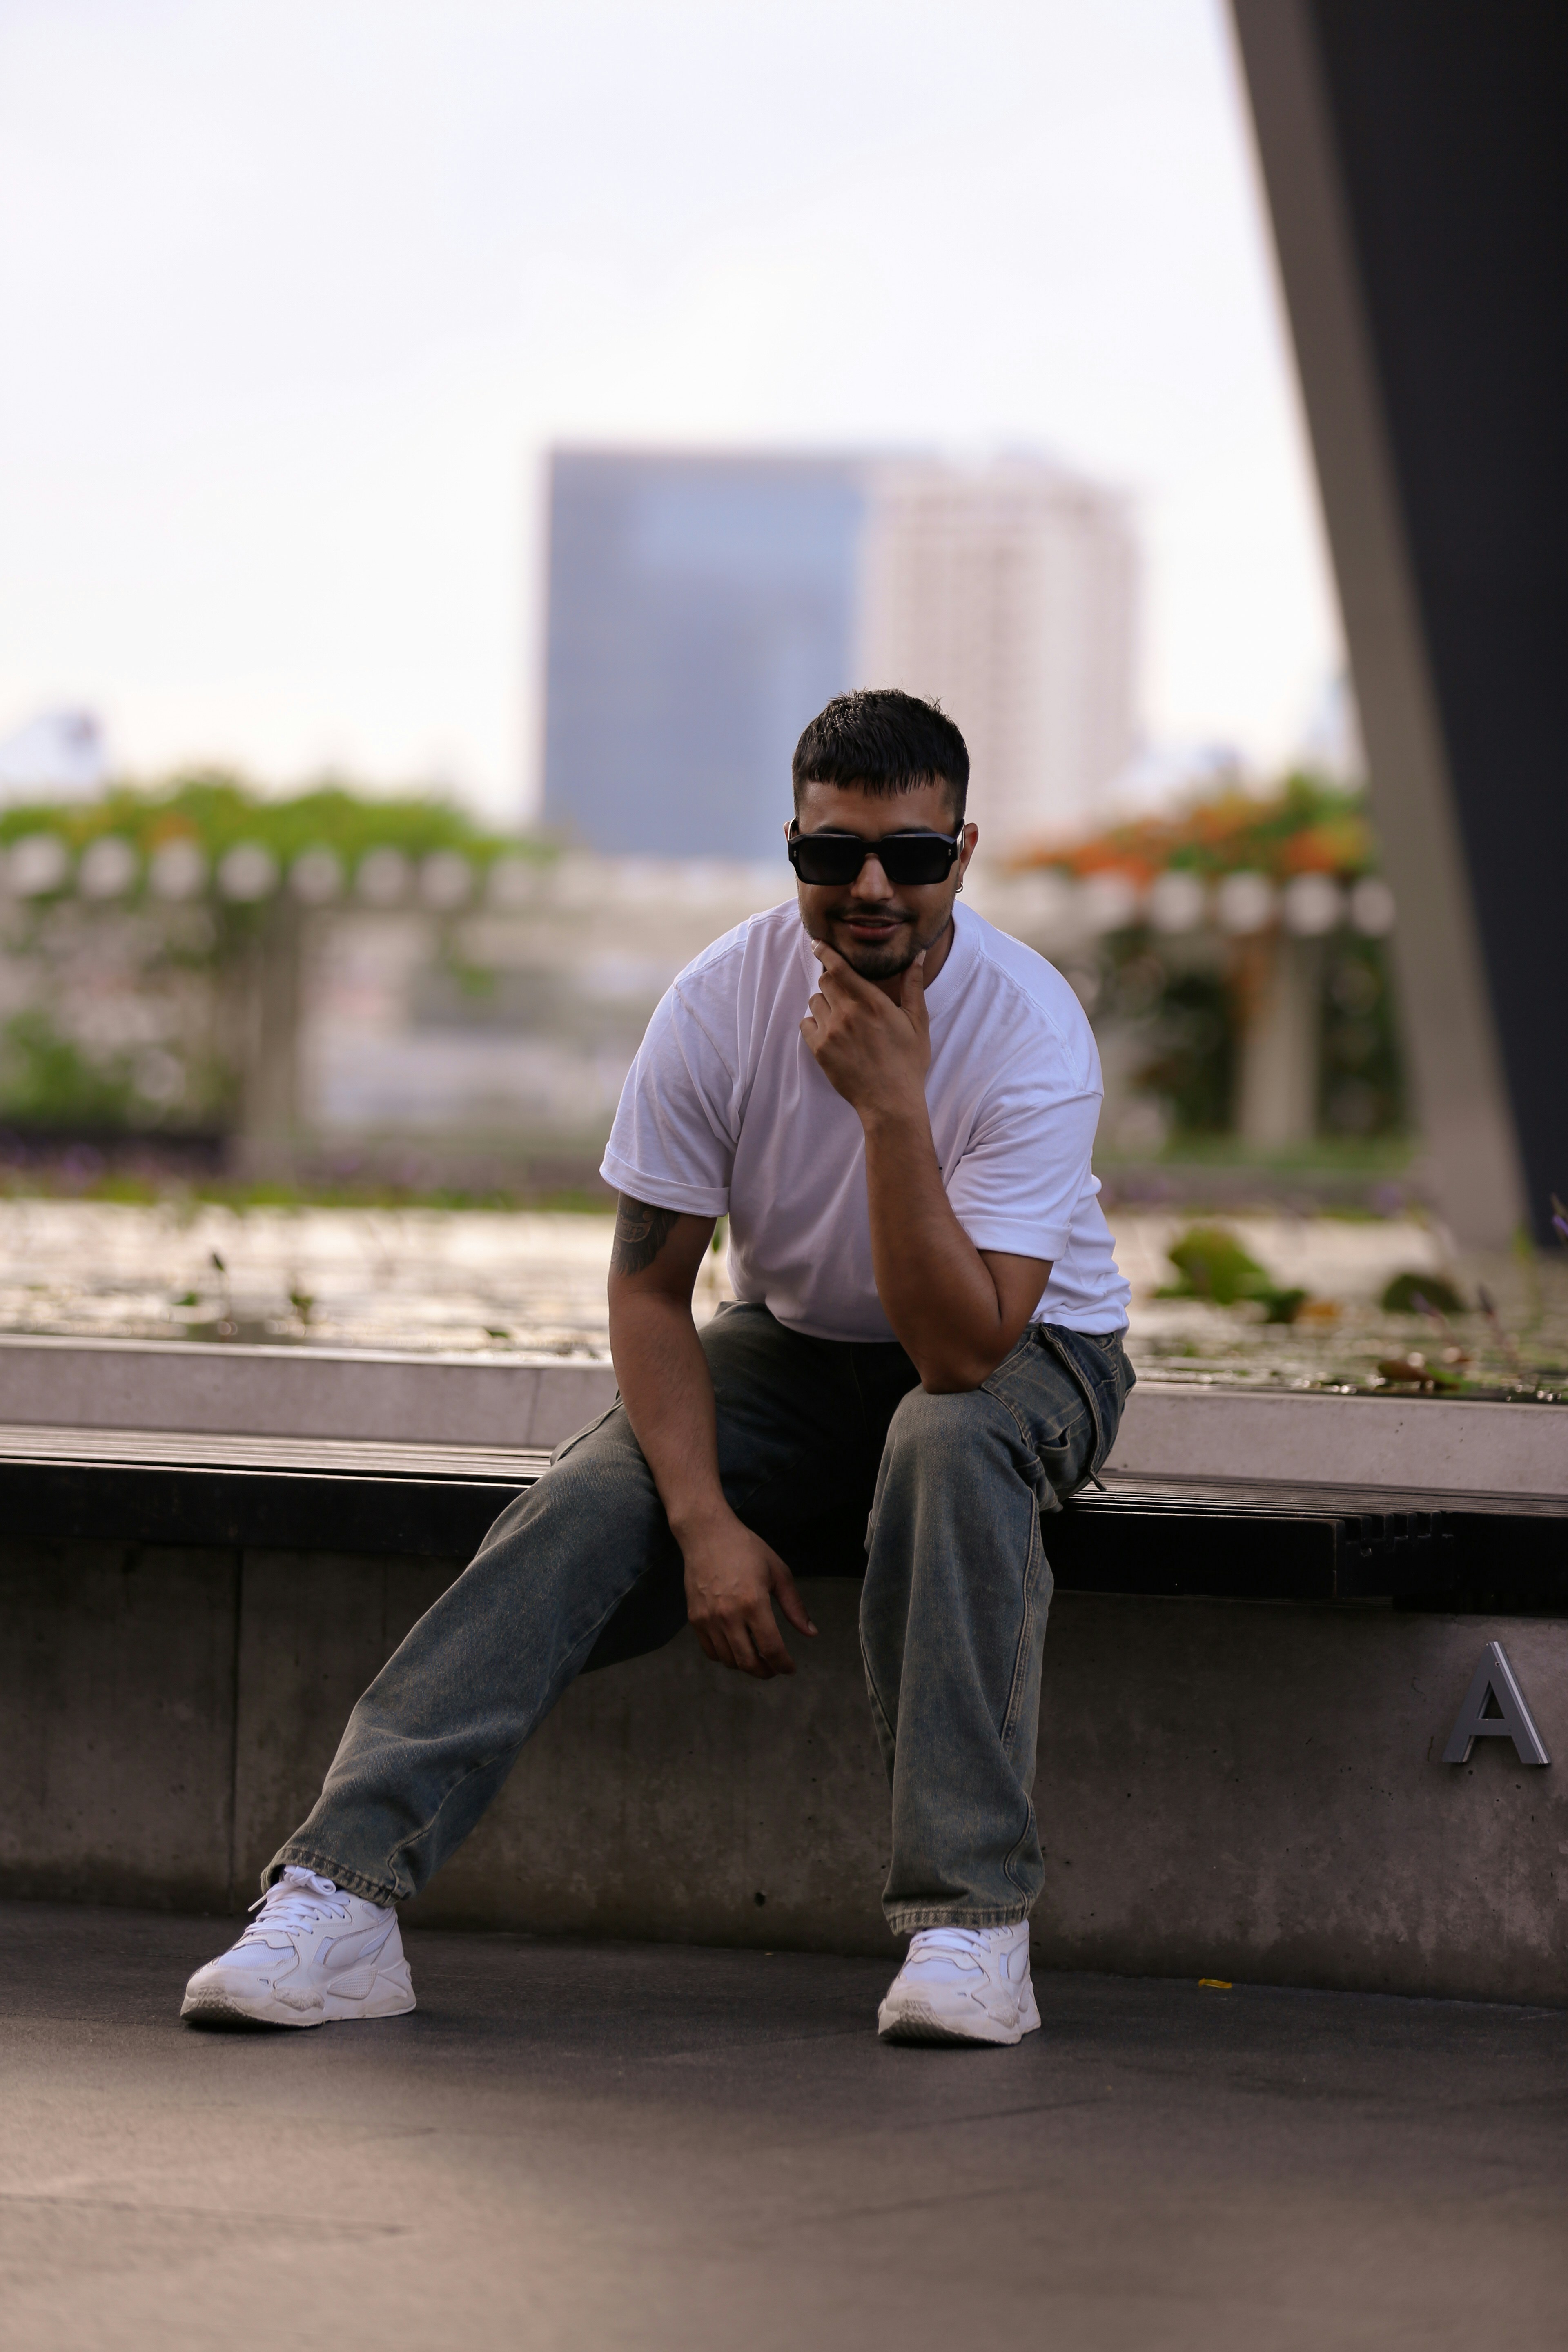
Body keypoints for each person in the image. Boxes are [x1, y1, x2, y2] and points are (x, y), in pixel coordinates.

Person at [181, 688, 1133, 2047]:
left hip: (1028, 1353)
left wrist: (893, 1109)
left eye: (912, 857)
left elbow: (963, 1348)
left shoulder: (1029, 1027)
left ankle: (973, 1930)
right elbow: (646, 1286)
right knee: (581, 1503)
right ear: (791, 845)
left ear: (963, 856)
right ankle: (339, 1903)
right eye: (832, 853)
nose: (872, 888)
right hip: (793, 1348)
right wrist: (702, 1528)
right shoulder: (719, 1000)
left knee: (946, 1440)